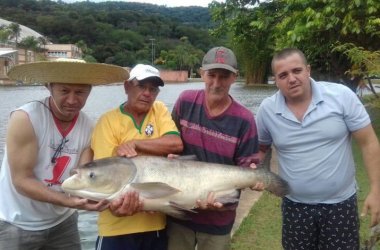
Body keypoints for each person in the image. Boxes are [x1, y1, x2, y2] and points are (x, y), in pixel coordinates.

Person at [256, 48, 380, 249]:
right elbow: (261, 148)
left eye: (297, 70)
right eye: (283, 75)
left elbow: (368, 142)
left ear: (308, 70)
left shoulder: (340, 96)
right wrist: (259, 174)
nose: (292, 79)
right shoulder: (267, 110)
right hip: (294, 207)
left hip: (340, 205)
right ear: (276, 80)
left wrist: (376, 189)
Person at [0, 59, 128, 249]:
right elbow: (22, 180)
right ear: (49, 87)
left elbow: (81, 179)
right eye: (64, 91)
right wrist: (72, 203)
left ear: (90, 90)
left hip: (63, 223)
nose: (72, 100)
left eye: (80, 92)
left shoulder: (88, 127)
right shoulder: (26, 118)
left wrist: (115, 201)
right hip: (17, 223)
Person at [168, 46, 260, 250]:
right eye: (211, 75)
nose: (216, 83)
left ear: (235, 77)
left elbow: (247, 167)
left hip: (218, 218)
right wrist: (170, 156)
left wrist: (254, 177)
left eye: (224, 76)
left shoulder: (244, 120)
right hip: (179, 213)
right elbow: (171, 142)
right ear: (202, 73)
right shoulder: (185, 102)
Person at [91, 64, 183, 250]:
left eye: (153, 89)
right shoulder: (108, 121)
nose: (147, 93)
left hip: (155, 225)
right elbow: (103, 177)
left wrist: (135, 143)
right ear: (127, 87)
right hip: (116, 229)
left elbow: (175, 143)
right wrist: (115, 206)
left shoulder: (158, 110)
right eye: (141, 86)